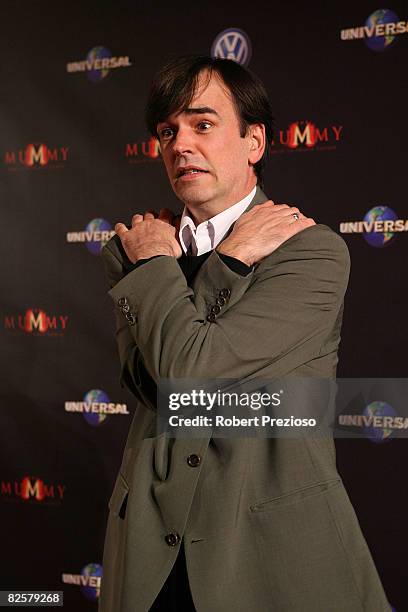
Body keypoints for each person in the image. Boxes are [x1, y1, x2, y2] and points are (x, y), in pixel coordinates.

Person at [99, 56, 390, 611]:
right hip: (149, 550)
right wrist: (208, 261)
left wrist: (216, 264)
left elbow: (192, 375)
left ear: (254, 141)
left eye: (203, 124)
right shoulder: (135, 250)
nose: (181, 144)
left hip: (265, 548)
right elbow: (148, 385)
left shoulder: (311, 250)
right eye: (168, 131)